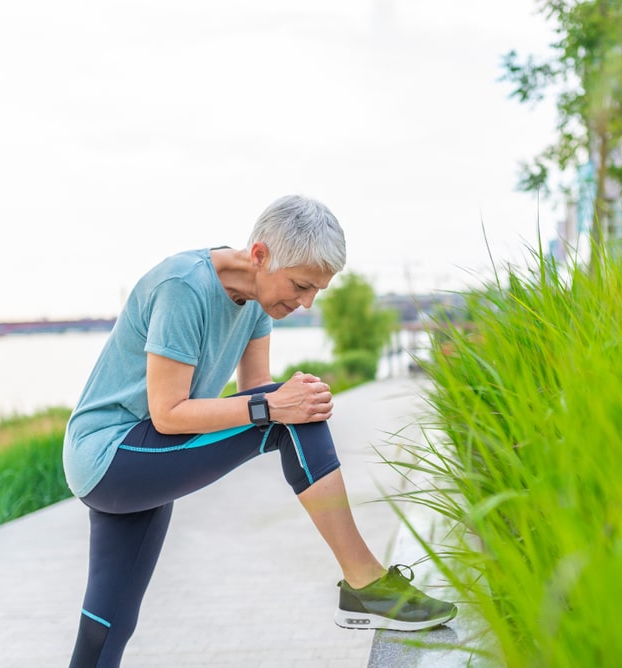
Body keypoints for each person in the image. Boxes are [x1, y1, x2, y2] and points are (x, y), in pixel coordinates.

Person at [62, 194, 456, 667]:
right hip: (112, 456)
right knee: (288, 417)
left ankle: (365, 586)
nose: (307, 302)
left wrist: (279, 402)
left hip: (145, 458)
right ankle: (365, 583)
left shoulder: (257, 302)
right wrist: (278, 404)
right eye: (302, 285)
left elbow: (255, 391)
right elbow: (168, 413)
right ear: (261, 255)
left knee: (108, 624)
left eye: (317, 291)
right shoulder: (183, 287)